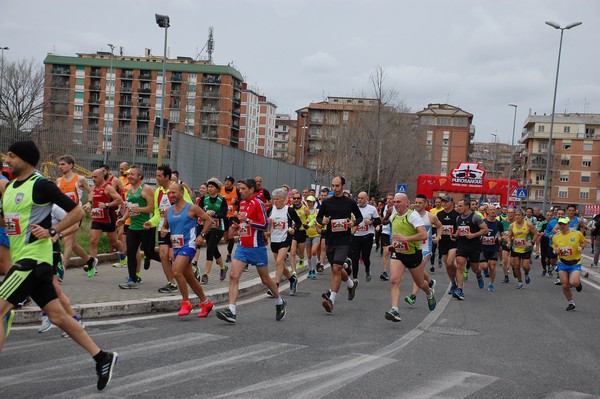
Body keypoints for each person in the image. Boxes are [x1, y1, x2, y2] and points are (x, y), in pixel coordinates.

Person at [0, 141, 118, 390]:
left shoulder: (40, 185)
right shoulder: (10, 187)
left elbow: (76, 212)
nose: (7, 160)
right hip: (26, 259)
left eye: (12, 156)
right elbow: (10, 222)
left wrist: (52, 230)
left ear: (26, 159)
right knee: (58, 316)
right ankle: (102, 357)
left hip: (33, 260)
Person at [215, 178, 286, 323]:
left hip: (257, 248)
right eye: (239, 189)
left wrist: (247, 221)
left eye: (243, 189)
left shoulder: (258, 204)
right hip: (242, 246)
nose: (240, 191)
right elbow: (242, 221)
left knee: (265, 279)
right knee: (234, 276)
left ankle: (279, 301)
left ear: (252, 190)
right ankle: (232, 311)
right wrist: (237, 226)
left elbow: (264, 225)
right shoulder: (242, 203)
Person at [161, 183, 214, 317]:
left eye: (174, 192)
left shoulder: (192, 208)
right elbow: (165, 226)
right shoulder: (169, 211)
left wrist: (201, 235)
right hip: (176, 246)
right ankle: (206, 302)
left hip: (189, 245)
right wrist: (163, 230)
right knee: (189, 277)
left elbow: (208, 220)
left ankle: (186, 302)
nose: (171, 195)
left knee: (176, 271)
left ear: (181, 193)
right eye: (170, 193)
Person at [383, 193, 436, 322]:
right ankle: (395, 309)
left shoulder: (413, 216)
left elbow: (423, 235)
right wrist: (392, 245)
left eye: (399, 202)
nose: (396, 204)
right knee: (394, 280)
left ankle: (429, 293)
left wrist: (406, 239)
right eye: (394, 202)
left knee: (420, 283)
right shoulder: (394, 217)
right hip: (398, 253)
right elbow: (396, 236)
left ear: (407, 203)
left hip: (413, 254)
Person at [316, 176, 362, 314]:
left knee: (336, 268)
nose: (334, 188)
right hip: (330, 240)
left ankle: (331, 300)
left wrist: (353, 223)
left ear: (343, 186)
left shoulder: (349, 202)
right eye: (332, 186)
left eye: (337, 186)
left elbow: (359, 217)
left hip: (344, 240)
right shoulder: (327, 202)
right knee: (337, 269)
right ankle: (350, 284)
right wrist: (322, 221)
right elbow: (319, 217)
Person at [116, 166, 160, 288]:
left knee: (149, 253)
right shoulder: (129, 190)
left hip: (146, 226)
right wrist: (123, 219)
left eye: (132, 174)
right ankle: (132, 279)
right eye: (129, 174)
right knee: (130, 252)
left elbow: (152, 207)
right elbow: (130, 208)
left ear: (140, 176)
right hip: (133, 227)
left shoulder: (146, 189)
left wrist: (139, 209)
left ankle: (170, 263)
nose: (129, 176)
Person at [56, 155, 95, 272]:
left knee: (67, 240)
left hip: (75, 214)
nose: (60, 167)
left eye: (63, 164)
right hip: (62, 214)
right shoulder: (58, 180)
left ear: (71, 165)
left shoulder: (80, 179)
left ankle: (61, 270)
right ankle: (89, 260)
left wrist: (89, 202)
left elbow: (91, 191)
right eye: (59, 164)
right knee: (73, 244)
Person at [86, 168, 126, 278]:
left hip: (109, 219)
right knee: (93, 241)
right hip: (97, 219)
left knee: (114, 241)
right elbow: (90, 198)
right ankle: (92, 265)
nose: (93, 179)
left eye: (95, 177)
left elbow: (119, 200)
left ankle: (123, 255)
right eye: (92, 177)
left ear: (101, 177)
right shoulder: (93, 188)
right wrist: (89, 204)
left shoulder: (108, 187)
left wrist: (107, 205)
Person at [404, 194, 442, 306]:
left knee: (418, 271)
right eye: (416, 202)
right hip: (413, 248)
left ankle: (413, 296)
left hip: (425, 249)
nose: (417, 204)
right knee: (417, 271)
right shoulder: (409, 216)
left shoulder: (431, 217)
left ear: (426, 203)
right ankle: (430, 283)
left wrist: (438, 236)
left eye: (420, 202)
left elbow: (440, 226)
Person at [267, 188, 302, 295]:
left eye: (277, 199)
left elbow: (298, 223)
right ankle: (292, 280)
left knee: (279, 261)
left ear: (283, 199)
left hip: (285, 238)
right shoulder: (270, 210)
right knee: (280, 263)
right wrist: (268, 223)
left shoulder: (289, 210)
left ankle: (275, 286)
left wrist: (293, 229)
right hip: (274, 239)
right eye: (274, 199)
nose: (275, 201)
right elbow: (264, 224)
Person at [452, 199, 488, 300]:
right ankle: (460, 290)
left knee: (475, 268)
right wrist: (455, 235)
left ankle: (479, 275)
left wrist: (473, 235)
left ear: (467, 207)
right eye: (458, 206)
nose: (458, 208)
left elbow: (485, 230)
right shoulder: (458, 218)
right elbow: (459, 230)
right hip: (462, 245)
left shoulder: (475, 217)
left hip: (474, 246)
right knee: (460, 266)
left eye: (460, 206)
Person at [198, 178, 229, 284]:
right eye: (209, 187)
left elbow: (224, 214)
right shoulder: (204, 198)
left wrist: (214, 214)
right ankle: (223, 267)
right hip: (207, 227)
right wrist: (205, 212)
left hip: (218, 228)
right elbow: (199, 210)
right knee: (214, 249)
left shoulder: (222, 199)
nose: (209, 189)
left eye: (212, 187)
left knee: (210, 248)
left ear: (217, 188)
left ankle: (205, 275)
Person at [552, 217, 586, 311]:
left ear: (568, 224)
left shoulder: (577, 234)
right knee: (565, 285)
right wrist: (555, 251)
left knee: (574, 282)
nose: (562, 226)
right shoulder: (556, 236)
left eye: (564, 224)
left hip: (575, 263)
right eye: (560, 224)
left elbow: (584, 242)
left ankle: (578, 284)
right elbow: (554, 248)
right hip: (562, 263)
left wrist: (581, 247)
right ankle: (571, 302)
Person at [350, 191, 380, 281]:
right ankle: (355, 278)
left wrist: (371, 222)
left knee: (365, 257)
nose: (360, 200)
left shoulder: (372, 209)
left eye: (362, 198)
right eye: (358, 198)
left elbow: (378, 221)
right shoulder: (353, 208)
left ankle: (367, 269)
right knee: (355, 258)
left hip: (367, 235)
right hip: (355, 235)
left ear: (366, 199)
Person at [507, 208, 538, 289]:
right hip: (516, 248)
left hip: (526, 248)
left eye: (519, 215)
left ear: (522, 216)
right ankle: (520, 282)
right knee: (516, 266)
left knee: (525, 266)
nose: (517, 217)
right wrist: (509, 242)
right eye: (516, 215)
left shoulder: (528, 225)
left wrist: (532, 242)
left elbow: (536, 234)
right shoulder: (512, 225)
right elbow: (509, 236)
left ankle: (527, 273)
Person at [436, 196, 460, 295]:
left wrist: (456, 234)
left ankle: (459, 274)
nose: (444, 203)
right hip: (443, 242)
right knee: (447, 265)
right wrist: (437, 236)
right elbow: (437, 227)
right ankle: (453, 283)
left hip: (453, 242)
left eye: (446, 202)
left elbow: (459, 227)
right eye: (443, 202)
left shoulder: (457, 215)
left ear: (452, 203)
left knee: (450, 263)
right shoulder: (439, 214)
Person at [479, 206, 503, 292]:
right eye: (491, 210)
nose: (493, 211)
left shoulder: (499, 223)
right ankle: (482, 273)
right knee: (484, 266)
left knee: (492, 266)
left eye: (494, 210)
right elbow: (478, 232)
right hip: (483, 247)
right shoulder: (483, 222)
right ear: (487, 212)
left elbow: (502, 234)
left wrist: (502, 238)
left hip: (494, 247)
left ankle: (491, 284)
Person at [220, 176, 240, 263]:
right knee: (226, 237)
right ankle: (233, 236)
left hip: (233, 215)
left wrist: (236, 202)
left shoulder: (237, 190)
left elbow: (242, 202)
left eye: (229, 181)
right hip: (224, 215)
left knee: (231, 234)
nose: (227, 182)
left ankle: (229, 254)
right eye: (226, 181)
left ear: (232, 183)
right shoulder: (221, 190)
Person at [379, 193, 395, 280]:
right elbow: (382, 219)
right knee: (386, 252)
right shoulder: (384, 208)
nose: (389, 200)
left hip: (395, 233)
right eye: (388, 198)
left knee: (394, 254)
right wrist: (381, 224)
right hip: (386, 231)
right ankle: (385, 271)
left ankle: (395, 272)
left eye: (391, 198)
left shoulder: (397, 209)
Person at [429, 196, 444, 272]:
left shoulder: (443, 211)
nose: (437, 203)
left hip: (440, 229)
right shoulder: (431, 210)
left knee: (440, 246)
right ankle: (432, 265)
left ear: (441, 203)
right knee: (433, 248)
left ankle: (440, 258)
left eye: (439, 202)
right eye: (436, 202)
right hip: (433, 229)